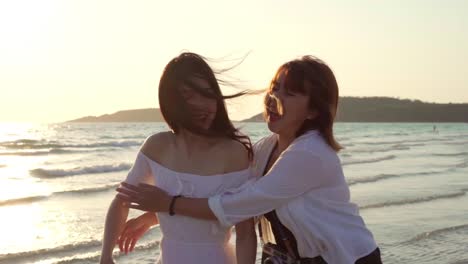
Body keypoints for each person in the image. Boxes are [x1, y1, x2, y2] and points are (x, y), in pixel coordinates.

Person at [118, 56, 382, 264]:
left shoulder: (310, 154)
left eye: (290, 94)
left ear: (313, 110)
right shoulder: (267, 148)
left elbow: (239, 204)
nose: (274, 99)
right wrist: (154, 216)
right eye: (274, 88)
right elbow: (225, 189)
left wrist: (169, 204)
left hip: (344, 258)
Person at [100, 52, 257, 264]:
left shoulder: (233, 153)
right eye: (190, 96)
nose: (204, 105)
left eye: (208, 93)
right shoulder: (157, 146)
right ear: (172, 101)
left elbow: (245, 231)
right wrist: (106, 256)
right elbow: (122, 200)